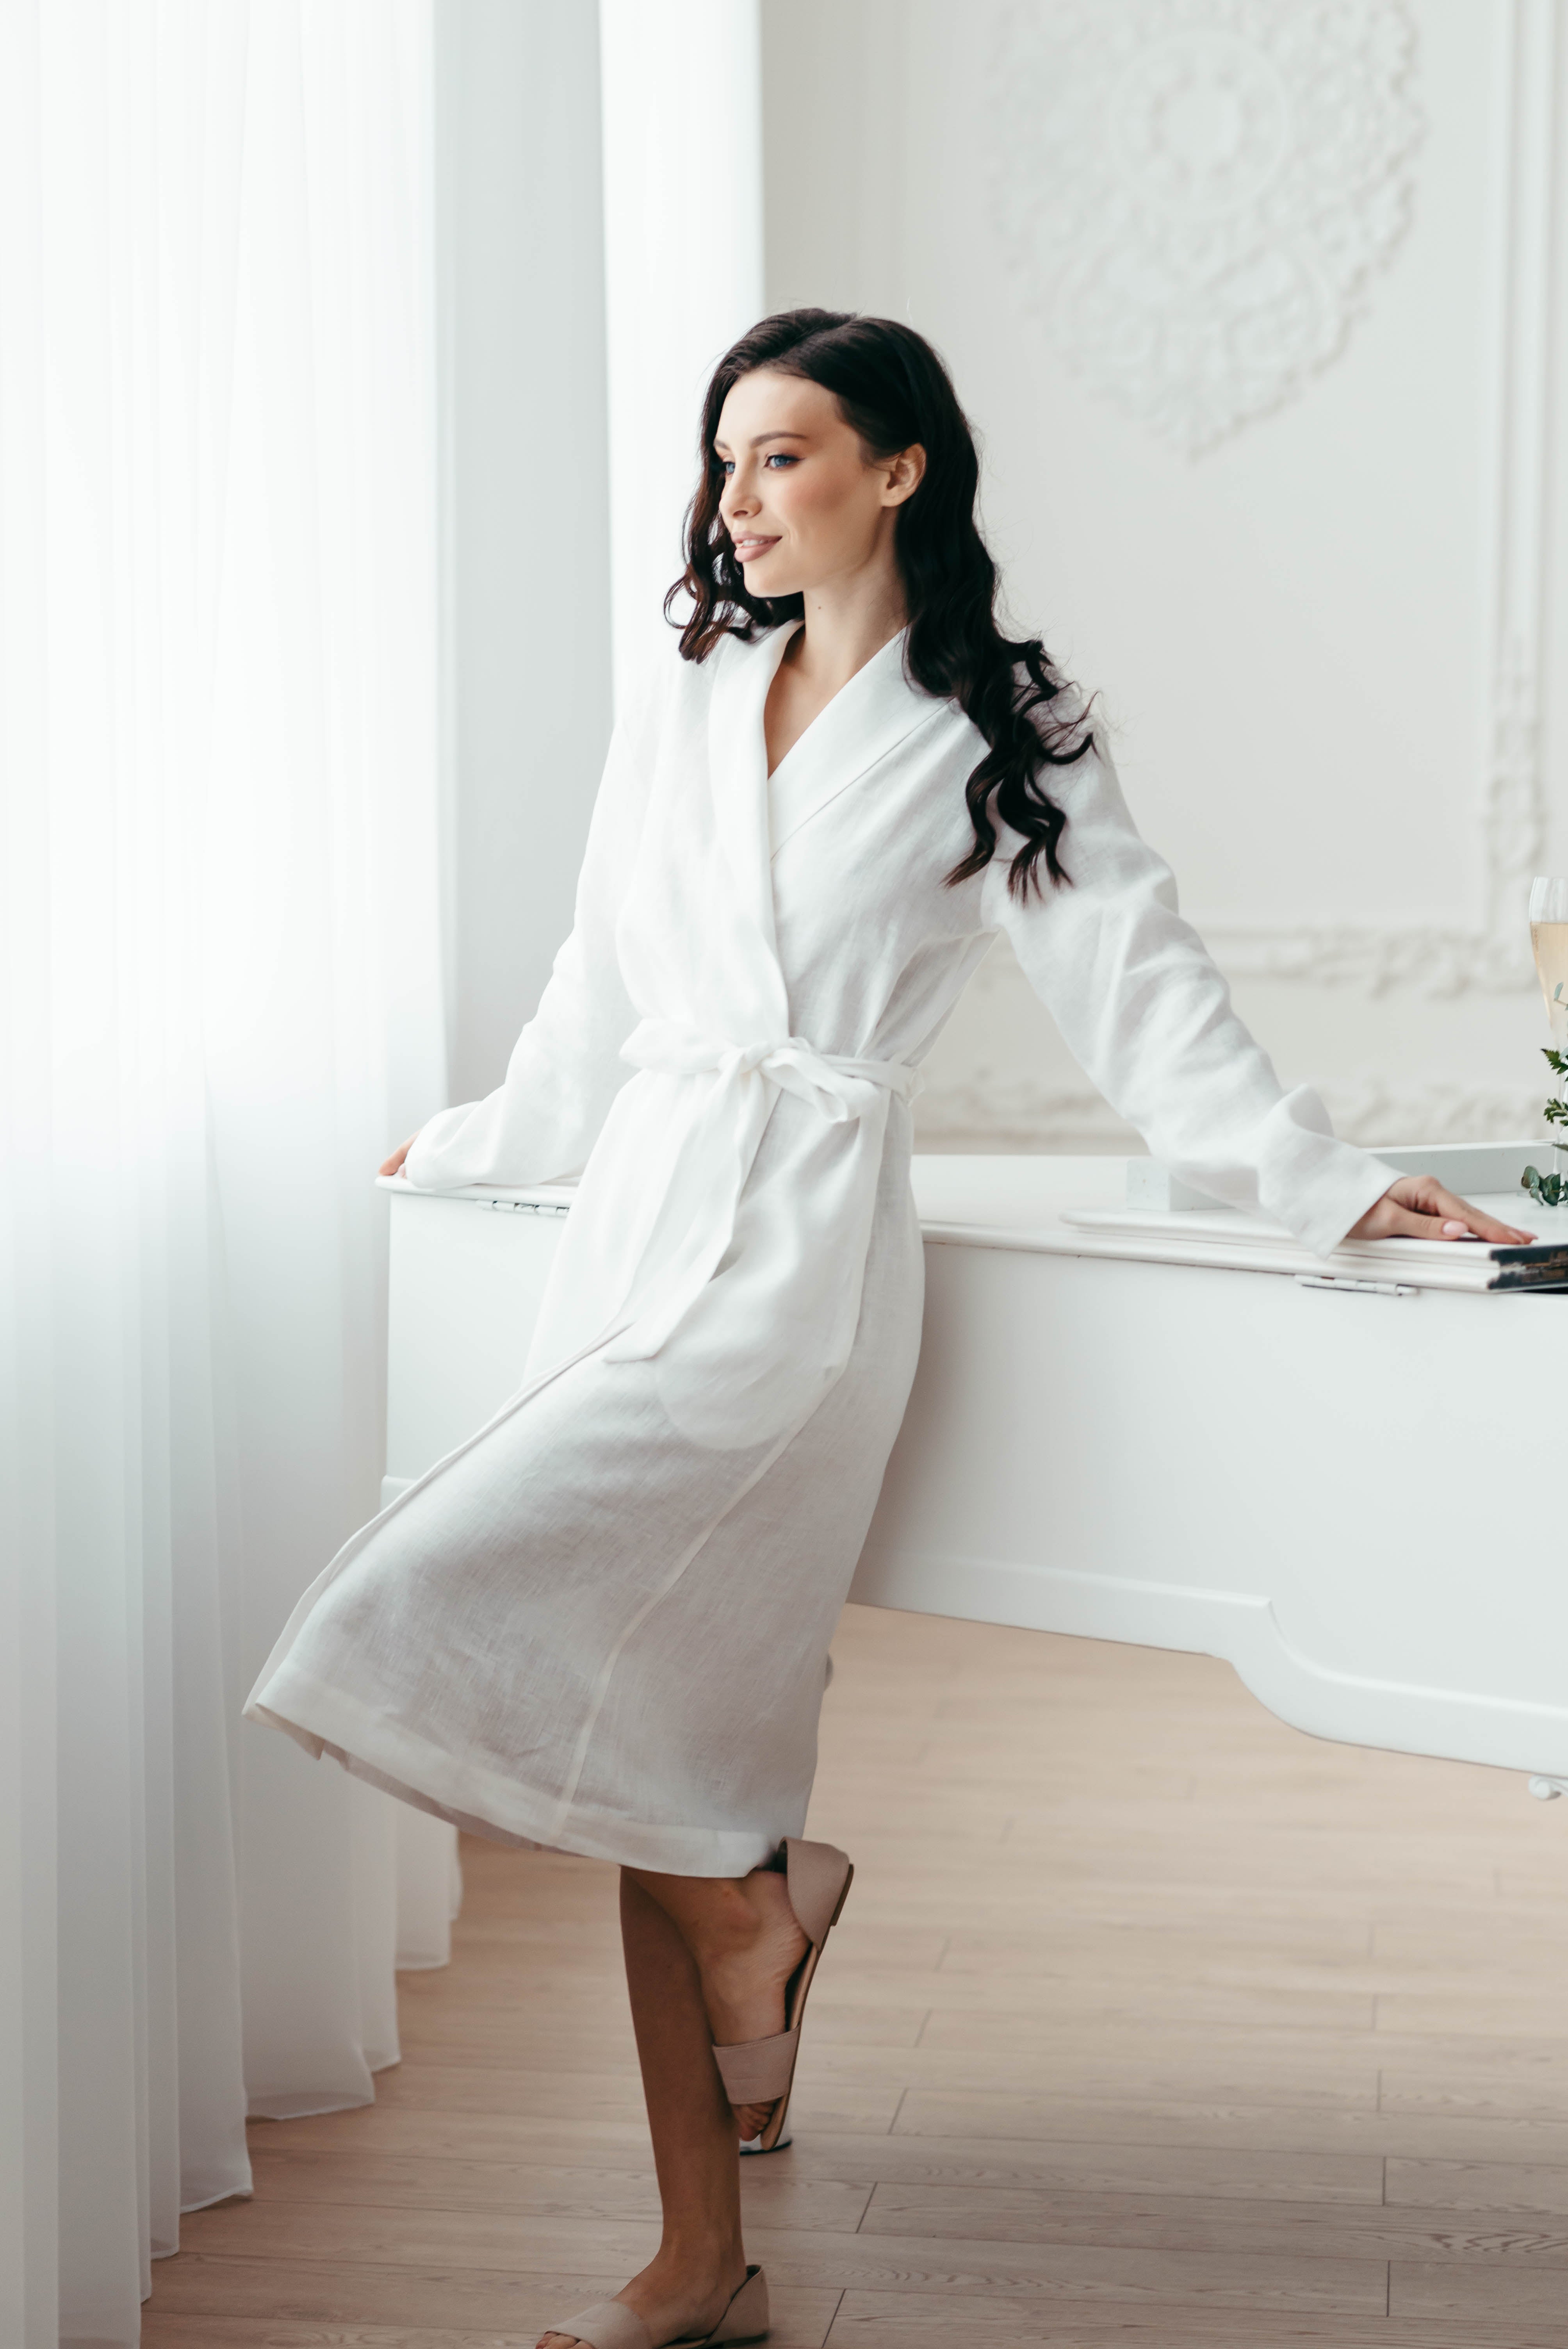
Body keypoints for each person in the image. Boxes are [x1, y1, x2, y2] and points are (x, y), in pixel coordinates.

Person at [244, 310, 1532, 2349]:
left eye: (783, 457)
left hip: (798, 1257)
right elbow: (599, 981)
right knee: (650, 1735)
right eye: (726, 463)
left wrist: (1325, 1177)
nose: (739, 502)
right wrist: (488, 1141)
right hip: (638, 1216)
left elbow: (1145, 995)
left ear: (901, 467)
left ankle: (761, 1908)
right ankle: (703, 2258)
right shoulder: (688, 697)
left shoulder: (1004, 722)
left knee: (425, 1606)